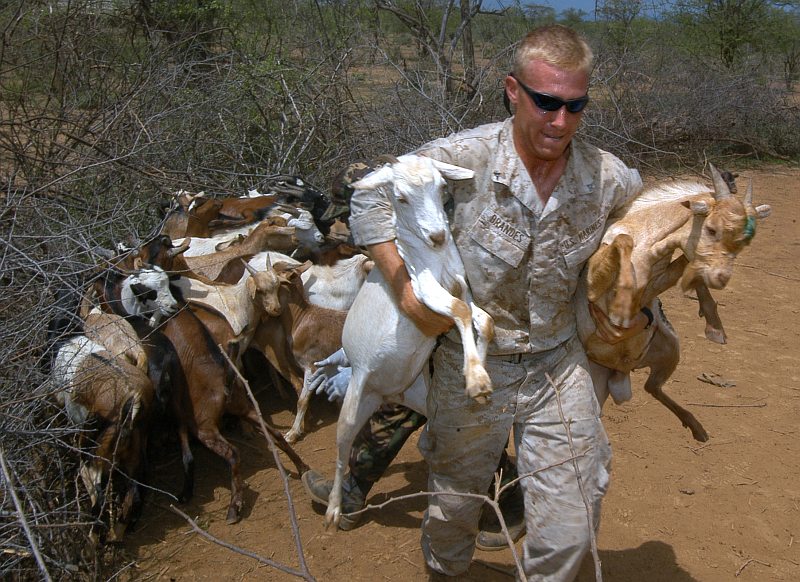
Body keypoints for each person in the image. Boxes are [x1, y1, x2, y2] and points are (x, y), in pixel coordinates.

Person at [312, 24, 648, 580]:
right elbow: (369, 201)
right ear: (513, 90)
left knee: (573, 517)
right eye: (545, 103)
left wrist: (635, 300)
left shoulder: (608, 176)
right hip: (471, 367)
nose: (560, 121)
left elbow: (645, 224)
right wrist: (401, 286)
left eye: (575, 105)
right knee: (453, 508)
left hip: (557, 363)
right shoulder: (460, 159)